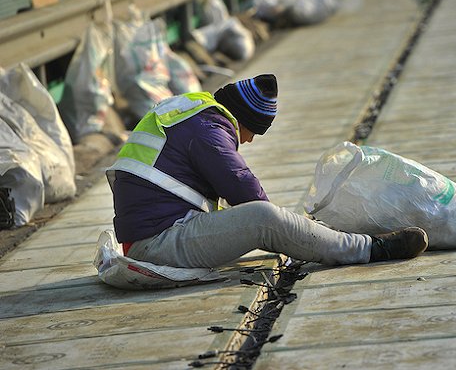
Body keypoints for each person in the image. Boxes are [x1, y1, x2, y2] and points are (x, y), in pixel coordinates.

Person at [106, 74, 428, 269]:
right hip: (159, 245)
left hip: (150, 237)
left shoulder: (191, 110)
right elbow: (243, 189)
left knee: (272, 219)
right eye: (252, 133)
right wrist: (291, 227)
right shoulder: (210, 130)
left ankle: (334, 238)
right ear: (244, 120)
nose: (246, 141)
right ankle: (370, 250)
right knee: (265, 219)